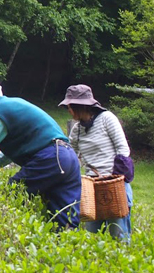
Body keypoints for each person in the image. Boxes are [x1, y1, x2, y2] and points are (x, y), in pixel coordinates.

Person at [0, 79, 82, 230]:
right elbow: (3, 158)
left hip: (50, 158)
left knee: (13, 193)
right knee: (64, 218)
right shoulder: (10, 105)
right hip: (67, 157)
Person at [60, 84, 133, 241]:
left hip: (113, 186)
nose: (68, 110)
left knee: (119, 236)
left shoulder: (107, 119)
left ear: (79, 106)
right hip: (91, 188)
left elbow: (123, 150)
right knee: (91, 237)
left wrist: (111, 179)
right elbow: (71, 156)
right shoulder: (77, 129)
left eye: (69, 107)